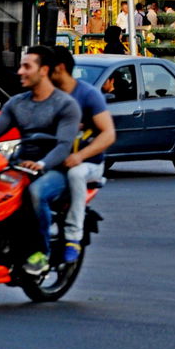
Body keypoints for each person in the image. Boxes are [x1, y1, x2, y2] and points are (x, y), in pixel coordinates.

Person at [0, 46, 81, 276]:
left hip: (56, 170)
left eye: (26, 66)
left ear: (43, 71)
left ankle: (40, 253)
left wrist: (42, 164)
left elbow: (63, 146)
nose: (20, 71)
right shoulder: (17, 103)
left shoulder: (65, 105)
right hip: (21, 165)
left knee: (36, 193)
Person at [50, 47, 115, 264]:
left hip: (88, 164)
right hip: (54, 161)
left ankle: (72, 238)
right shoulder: (47, 94)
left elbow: (108, 134)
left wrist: (80, 156)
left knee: (75, 174)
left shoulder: (88, 95)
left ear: (59, 69)